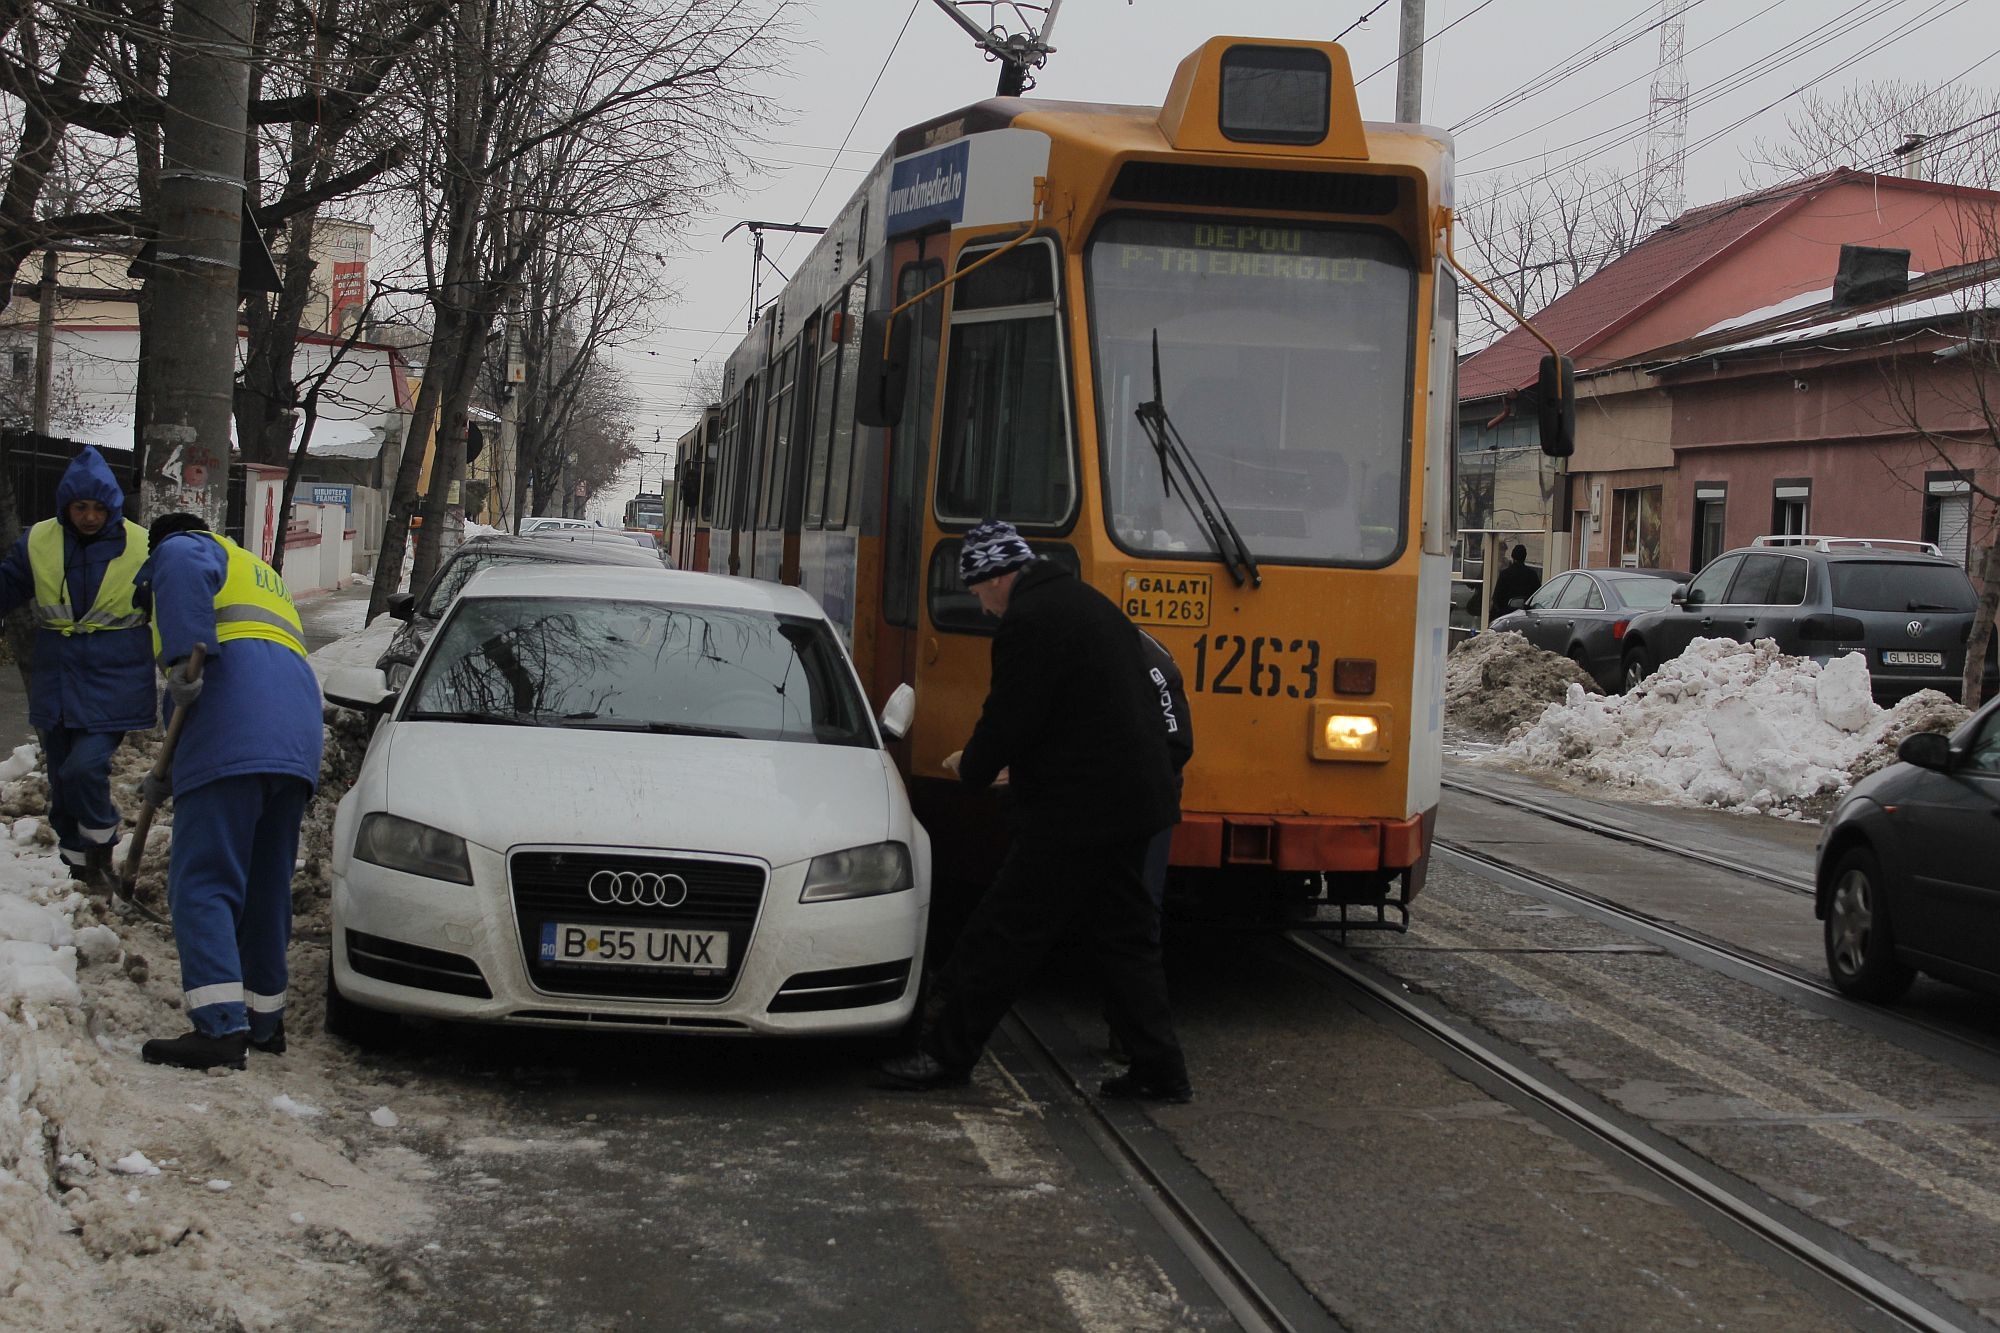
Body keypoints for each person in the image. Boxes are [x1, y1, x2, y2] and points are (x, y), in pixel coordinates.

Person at [878, 520, 1193, 1102]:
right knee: (1127, 939)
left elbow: (1010, 715)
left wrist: (974, 768)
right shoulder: (1085, 604)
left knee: (1005, 931)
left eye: (978, 589)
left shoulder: (1030, 620)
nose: (980, 603)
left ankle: (945, 1055)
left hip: (1078, 811)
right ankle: (1160, 1070)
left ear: (998, 576)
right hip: (1134, 801)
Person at [136, 513, 324, 1071]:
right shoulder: (257, 572)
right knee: (265, 884)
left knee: (203, 881)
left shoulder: (186, 547)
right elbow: (246, 664)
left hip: (233, 727)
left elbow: (198, 668)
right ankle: (264, 1020)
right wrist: (169, 775)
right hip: (295, 735)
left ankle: (219, 1028)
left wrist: (180, 658)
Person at [0, 447, 154, 889]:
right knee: (62, 782)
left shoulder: (142, 545)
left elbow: (168, 606)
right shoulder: (39, 540)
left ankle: (101, 846)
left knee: (83, 769)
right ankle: (80, 869)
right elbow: (8, 585)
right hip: (58, 676)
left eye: (98, 508)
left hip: (114, 676)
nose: (89, 517)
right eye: (80, 507)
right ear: (65, 506)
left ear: (112, 508)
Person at [1492, 543, 1542, 612]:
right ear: (1524, 557)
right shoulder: (1532, 575)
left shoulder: (1505, 574)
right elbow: (1537, 596)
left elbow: (1496, 597)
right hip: (1525, 614)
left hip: (1507, 613)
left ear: (1512, 556)